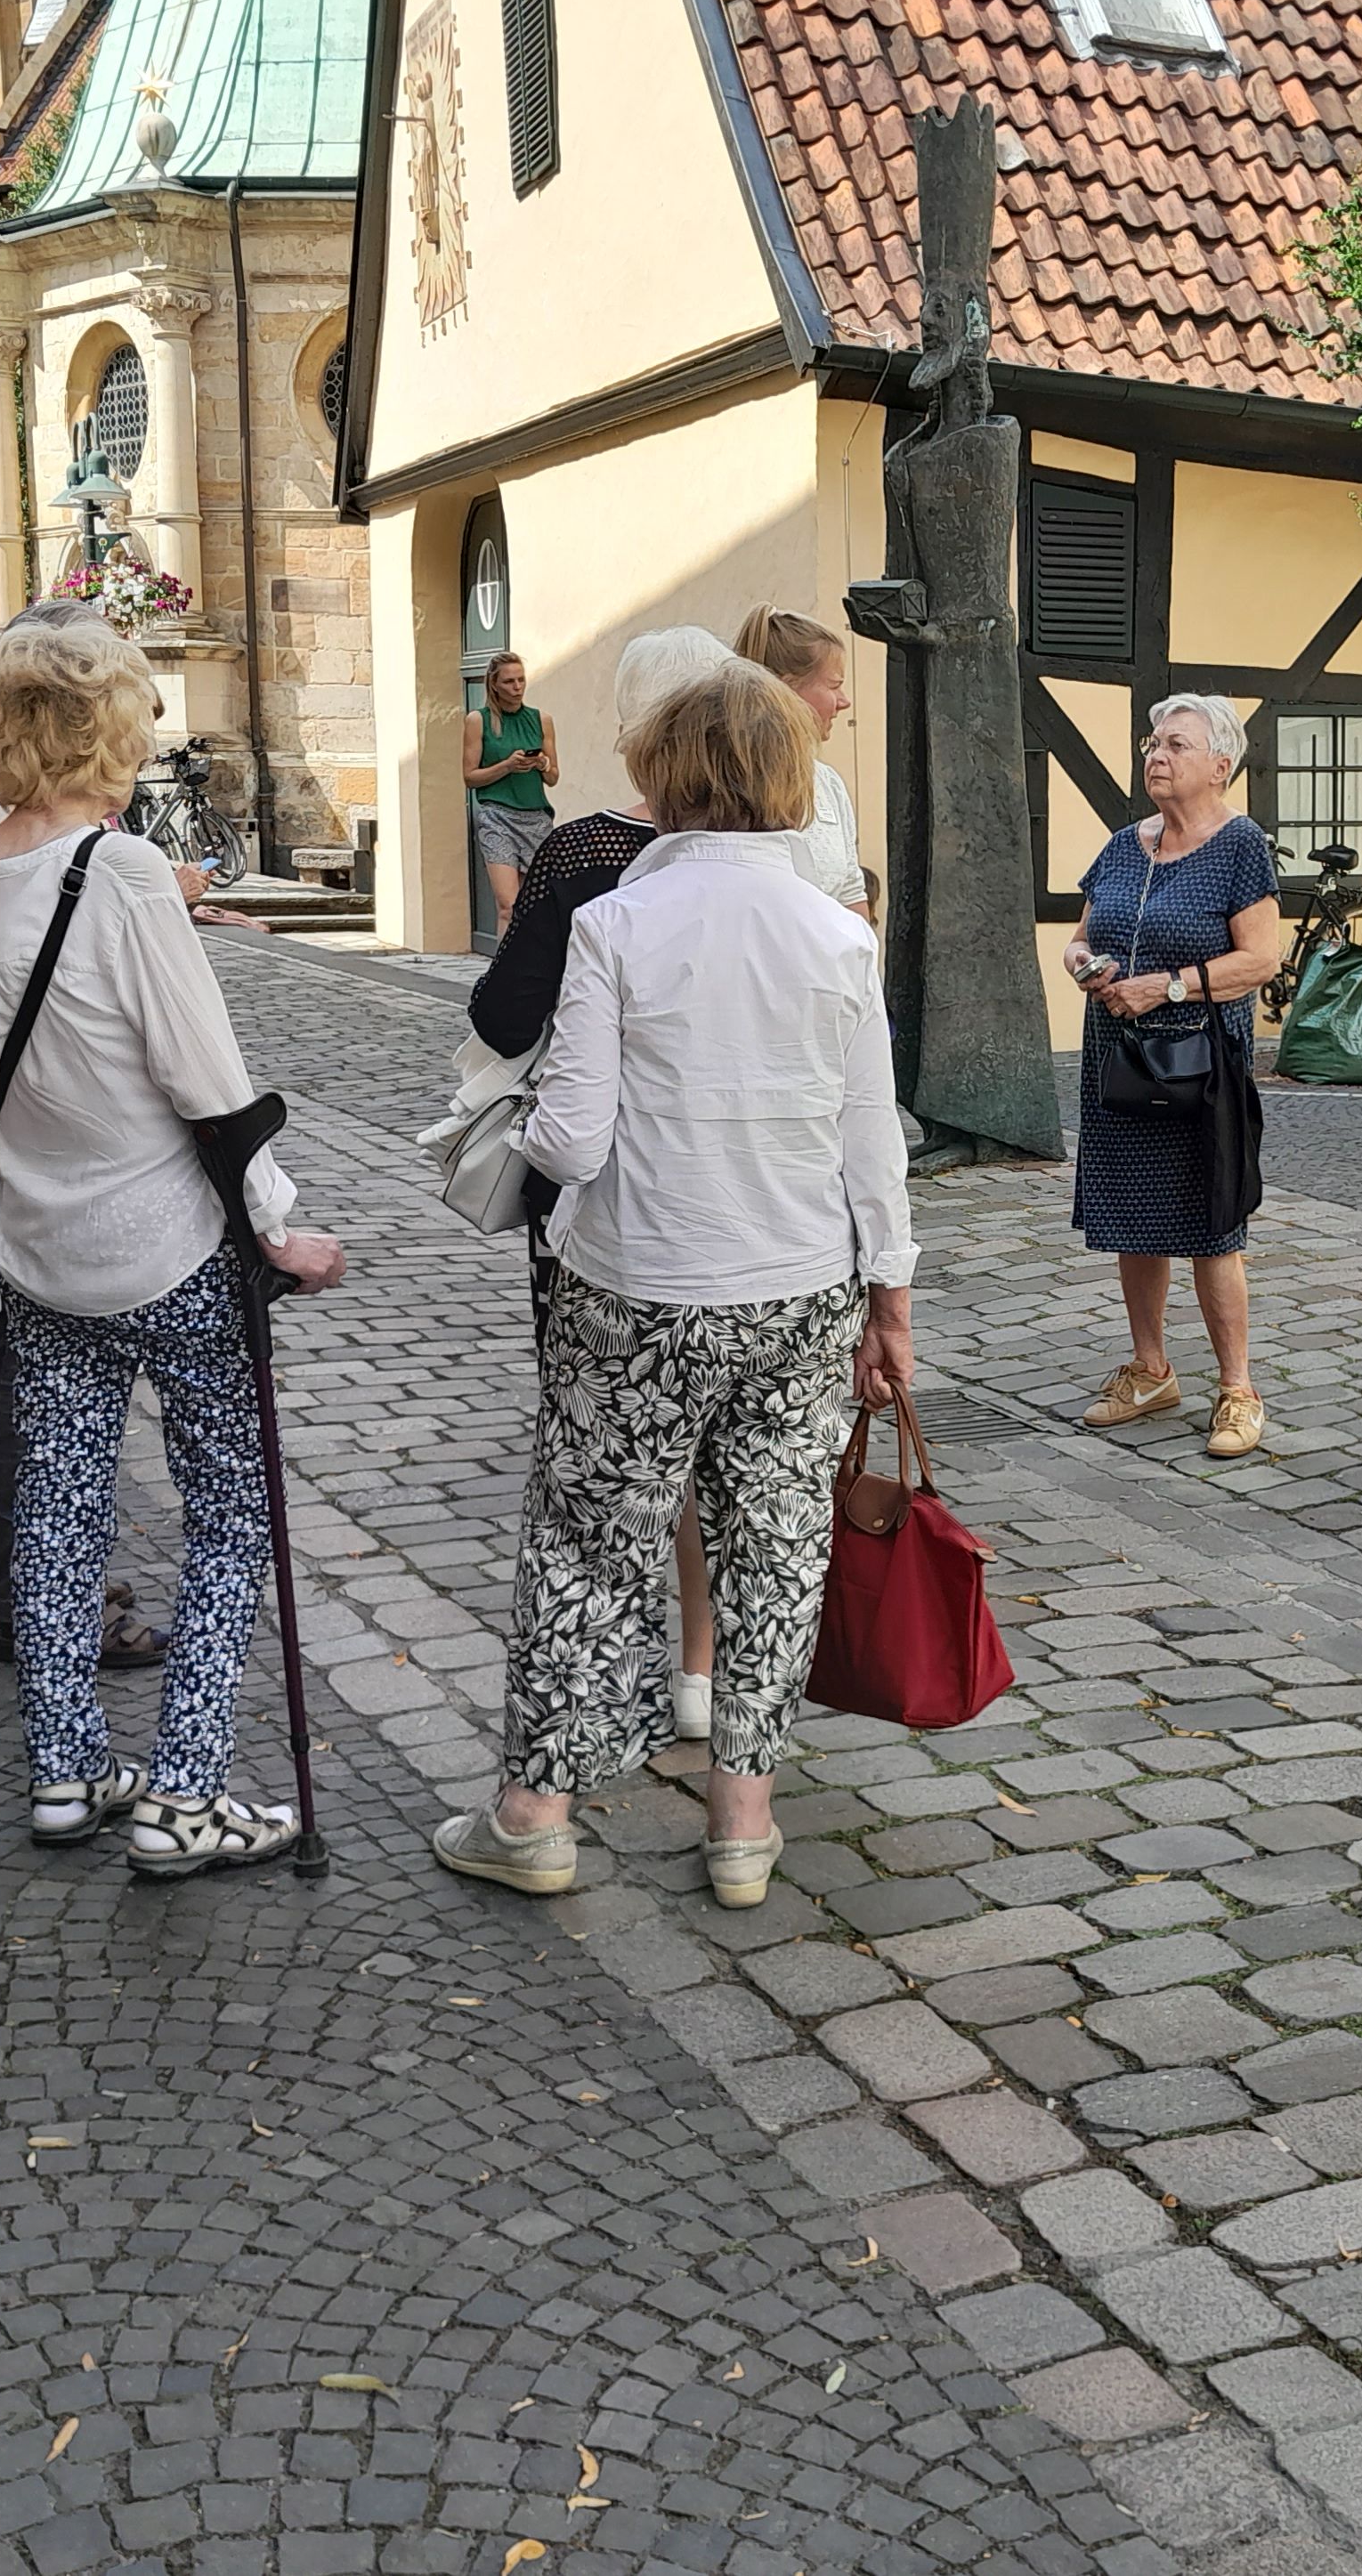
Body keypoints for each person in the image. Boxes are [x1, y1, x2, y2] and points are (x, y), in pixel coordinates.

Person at [434, 654, 912, 1908]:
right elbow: (873, 1136)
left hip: (634, 1284)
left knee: (590, 1545)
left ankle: (535, 1816)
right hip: (800, 1286)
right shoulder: (835, 934)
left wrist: (531, 1133)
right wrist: (892, 1298)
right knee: (773, 1543)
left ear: (668, 775)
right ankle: (742, 1826)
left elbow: (574, 1142)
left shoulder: (617, 922)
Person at [0, 614, 344, 1875]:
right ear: (108, 729)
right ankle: (188, 1790)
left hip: (42, 1252)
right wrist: (281, 1227)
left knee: (57, 1516)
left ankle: (65, 1769)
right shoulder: (124, 873)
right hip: (173, 1249)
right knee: (230, 1520)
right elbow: (209, 1083)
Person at [464, 627, 716, 1733]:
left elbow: (502, 1013)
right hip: (737, 1192)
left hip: (592, 1189)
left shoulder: (583, 855)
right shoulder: (782, 861)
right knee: (720, 1448)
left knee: (599, 1445)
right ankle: (705, 1675)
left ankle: (589, 1702)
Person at [1062, 692, 1284, 1459]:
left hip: (1200, 1061)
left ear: (1221, 764)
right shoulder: (1127, 843)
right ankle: (1151, 1368)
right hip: (1119, 1058)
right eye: (1153, 742)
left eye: (1176, 744)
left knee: (1210, 1223)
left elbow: (1261, 958)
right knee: (1134, 1214)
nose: (1157, 754)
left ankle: (1237, 1390)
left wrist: (1169, 984)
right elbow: (1080, 937)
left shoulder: (1240, 843)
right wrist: (1089, 967)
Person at [734, 605, 876, 924]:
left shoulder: (827, 782)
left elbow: (851, 890)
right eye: (834, 685)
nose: (844, 701)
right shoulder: (731, 779)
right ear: (786, 690)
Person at [463, 651, 556, 943]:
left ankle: (529, 969)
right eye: (509, 682)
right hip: (497, 817)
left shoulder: (541, 719)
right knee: (508, 905)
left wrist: (542, 764)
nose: (517, 687)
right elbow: (469, 777)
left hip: (536, 818)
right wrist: (507, 766)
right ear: (494, 685)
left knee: (534, 906)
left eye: (521, 680)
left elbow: (553, 778)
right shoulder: (478, 721)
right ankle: (502, 975)